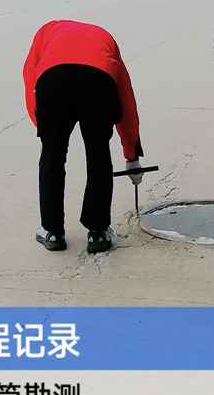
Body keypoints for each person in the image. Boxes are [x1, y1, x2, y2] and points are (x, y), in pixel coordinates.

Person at [22, 20, 143, 254]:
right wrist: (132, 157)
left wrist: (44, 128)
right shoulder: (105, 37)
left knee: (52, 156)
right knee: (98, 154)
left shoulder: (46, 31)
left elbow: (30, 76)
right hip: (98, 82)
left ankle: (52, 231)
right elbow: (127, 101)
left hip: (53, 82)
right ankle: (98, 234)